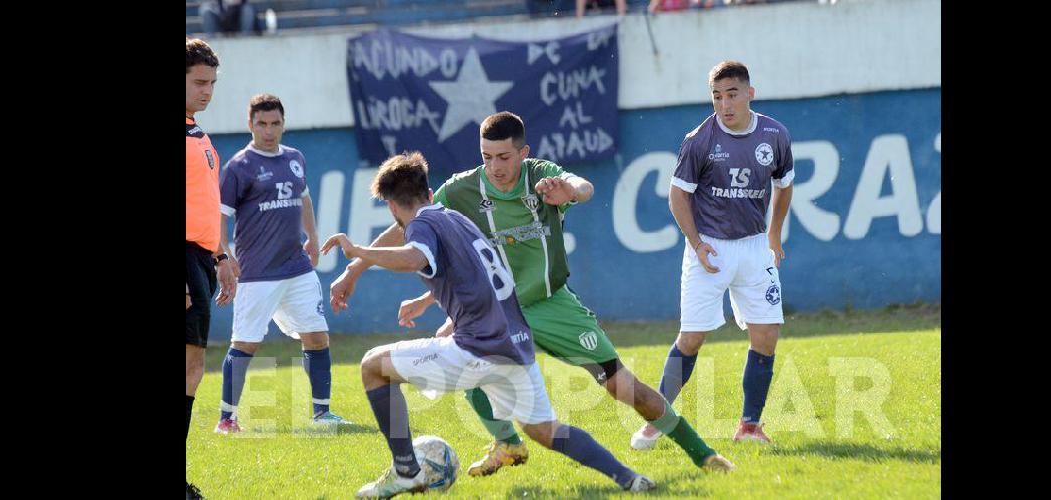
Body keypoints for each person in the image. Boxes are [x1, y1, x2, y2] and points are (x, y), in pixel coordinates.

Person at [331, 112, 734, 477]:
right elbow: (415, 224)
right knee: (457, 352)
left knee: (621, 387)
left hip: (550, 303)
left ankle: (702, 454)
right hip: (498, 312)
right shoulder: (462, 190)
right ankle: (507, 443)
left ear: (522, 153)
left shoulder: (540, 177)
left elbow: (584, 186)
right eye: (487, 157)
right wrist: (355, 268)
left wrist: (570, 192)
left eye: (504, 157)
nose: (494, 167)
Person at [321, 152, 656, 498]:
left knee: (373, 366)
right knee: (546, 430)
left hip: (477, 349)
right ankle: (629, 478)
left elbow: (415, 257)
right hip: (517, 345)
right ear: (430, 192)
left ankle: (406, 471)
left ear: (392, 207)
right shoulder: (457, 220)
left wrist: (360, 252)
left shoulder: (421, 225)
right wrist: (428, 301)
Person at [633, 60, 794, 447]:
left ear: (749, 93)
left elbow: (784, 185)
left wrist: (774, 235)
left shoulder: (775, 135)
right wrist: (697, 244)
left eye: (732, 94)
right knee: (692, 337)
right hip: (711, 248)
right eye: (717, 96)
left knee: (767, 335)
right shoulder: (700, 140)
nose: (725, 104)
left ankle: (750, 426)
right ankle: (657, 419)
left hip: (755, 247)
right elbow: (677, 196)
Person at [213, 94, 350, 434]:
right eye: (262, 123)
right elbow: (219, 217)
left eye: (275, 123)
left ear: (283, 123)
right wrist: (225, 254)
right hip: (257, 273)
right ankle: (226, 419)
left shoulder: (294, 158)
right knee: (245, 343)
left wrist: (314, 238)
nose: (269, 130)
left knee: (317, 337)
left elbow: (304, 199)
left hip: (297, 268)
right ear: (250, 125)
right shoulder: (238, 167)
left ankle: (322, 415)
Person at [186, 36, 229, 500]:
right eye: (199, 82)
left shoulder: (198, 133)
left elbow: (206, 203)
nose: (208, 91)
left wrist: (221, 255)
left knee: (192, 365)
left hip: (200, 257)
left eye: (213, 83)